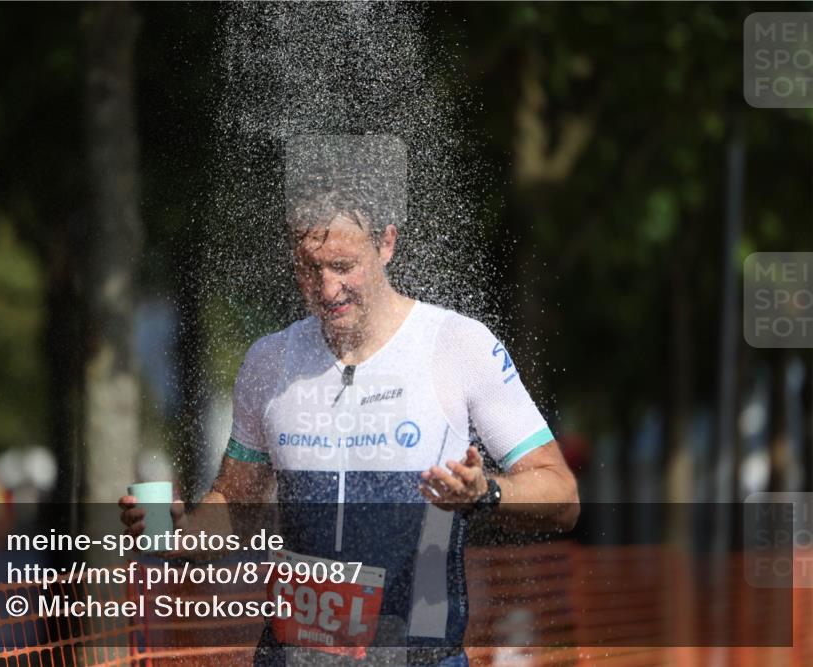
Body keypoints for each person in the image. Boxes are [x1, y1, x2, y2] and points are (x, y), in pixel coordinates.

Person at [119, 176, 579, 667]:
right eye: (310, 269)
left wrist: (484, 492)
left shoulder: (458, 346)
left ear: (386, 243)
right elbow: (237, 503)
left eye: (343, 266)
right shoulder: (270, 361)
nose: (327, 288)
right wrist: (181, 531)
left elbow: (562, 495)